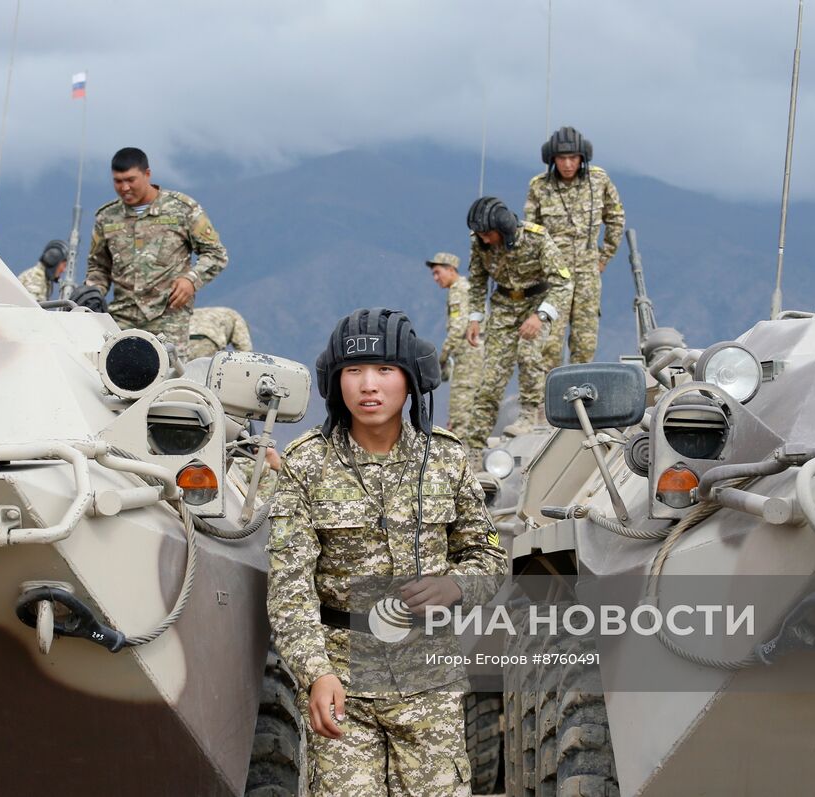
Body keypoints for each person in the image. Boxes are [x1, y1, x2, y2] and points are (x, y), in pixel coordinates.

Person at [267, 308, 506, 797]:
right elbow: (289, 587)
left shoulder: (447, 458)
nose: (368, 386)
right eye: (352, 372)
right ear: (334, 384)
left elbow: (489, 556)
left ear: (411, 381)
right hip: (342, 686)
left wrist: (457, 584)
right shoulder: (305, 464)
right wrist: (316, 674)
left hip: (430, 684)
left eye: (384, 370)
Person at [84, 147, 229, 359]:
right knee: (112, 376)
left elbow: (216, 254)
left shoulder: (182, 209)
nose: (124, 187)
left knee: (167, 379)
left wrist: (191, 280)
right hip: (121, 316)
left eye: (130, 180)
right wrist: (93, 292)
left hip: (168, 316)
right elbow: (99, 266)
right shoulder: (106, 217)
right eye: (118, 181)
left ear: (147, 175)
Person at [461, 197, 570, 446]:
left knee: (528, 354)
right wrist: (475, 318)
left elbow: (564, 282)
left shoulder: (537, 238)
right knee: (491, 378)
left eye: (488, 234)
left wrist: (540, 316)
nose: (484, 239)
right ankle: (474, 446)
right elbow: (477, 281)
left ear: (504, 230)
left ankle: (529, 414)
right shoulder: (478, 243)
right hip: (503, 304)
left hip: (537, 302)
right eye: (480, 234)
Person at [525, 126, 625, 366]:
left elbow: (616, 217)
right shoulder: (540, 186)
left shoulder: (598, 180)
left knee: (585, 341)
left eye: (573, 158)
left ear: (582, 158)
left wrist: (604, 257)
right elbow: (530, 232)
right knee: (549, 343)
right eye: (562, 158)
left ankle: (580, 398)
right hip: (553, 277)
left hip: (587, 275)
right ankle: (547, 399)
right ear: (552, 159)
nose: (568, 164)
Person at [425, 252, 483, 434]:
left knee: (461, 405)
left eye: (437, 272)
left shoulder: (458, 290)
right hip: (473, 355)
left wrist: (442, 357)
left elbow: (458, 328)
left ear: (450, 270)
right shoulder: (465, 288)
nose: (435, 278)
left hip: (468, 356)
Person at [188, 306, 254, 360]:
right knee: (207, 372)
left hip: (184, 340)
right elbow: (245, 351)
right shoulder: (238, 318)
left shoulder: (223, 313)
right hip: (209, 340)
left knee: (184, 373)